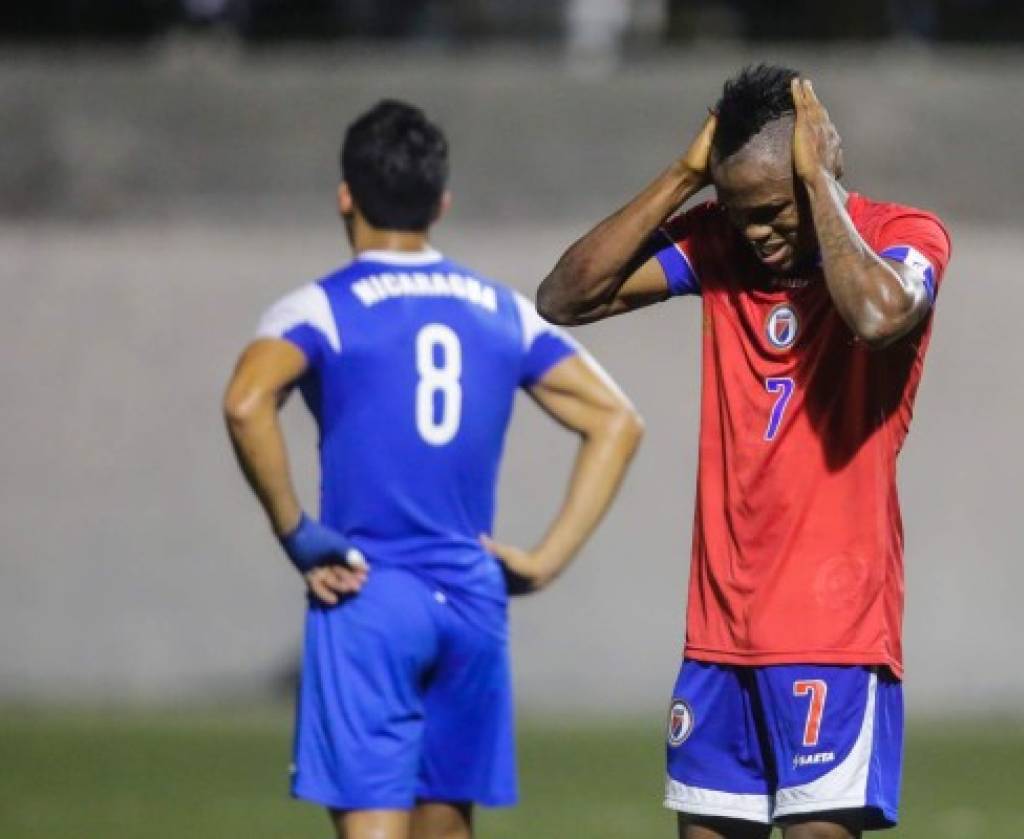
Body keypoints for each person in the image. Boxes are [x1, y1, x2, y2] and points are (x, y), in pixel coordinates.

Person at [536, 64, 952, 838]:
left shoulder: (905, 236)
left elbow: (874, 315)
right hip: (719, 631)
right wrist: (686, 174)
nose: (754, 232)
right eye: (734, 210)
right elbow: (567, 297)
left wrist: (820, 185)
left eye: (768, 209)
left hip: (833, 630)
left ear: (813, 172)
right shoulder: (719, 247)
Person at [222, 99, 643, 839]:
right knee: (447, 826)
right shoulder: (502, 309)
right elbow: (616, 419)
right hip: (471, 598)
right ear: (440, 202)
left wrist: (294, 530)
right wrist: (544, 560)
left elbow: (246, 401)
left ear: (345, 194)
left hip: (368, 589)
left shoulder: (321, 307)